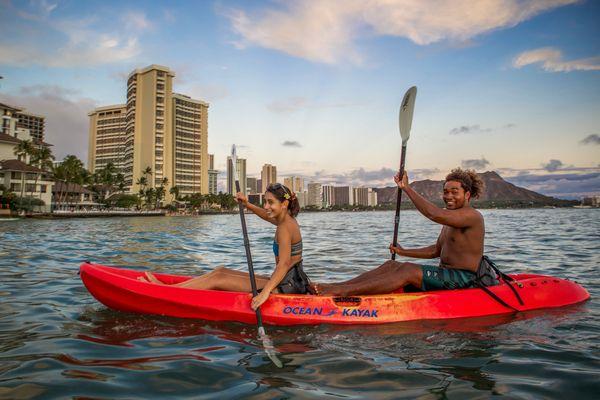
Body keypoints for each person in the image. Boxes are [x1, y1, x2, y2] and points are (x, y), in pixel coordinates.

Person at [313, 168, 492, 296]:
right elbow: (435, 251)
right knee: (391, 266)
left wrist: (406, 188)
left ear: (467, 194)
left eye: (455, 191)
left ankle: (340, 292)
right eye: (445, 191)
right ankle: (335, 286)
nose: (448, 196)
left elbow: (433, 213)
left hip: (464, 279)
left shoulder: (472, 216)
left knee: (407, 270)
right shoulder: (450, 219)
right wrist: (402, 251)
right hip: (444, 274)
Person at [141, 183, 311, 310]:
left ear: (284, 204)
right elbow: (266, 216)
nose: (266, 206)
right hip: (289, 281)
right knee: (220, 271)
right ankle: (170, 289)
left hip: (287, 287)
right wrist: (247, 204)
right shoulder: (285, 220)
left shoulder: (284, 228)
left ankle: (164, 292)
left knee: (218, 279)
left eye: (270, 202)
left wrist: (265, 293)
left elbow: (284, 264)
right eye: (265, 202)